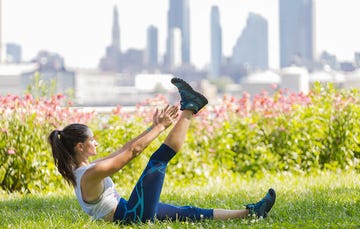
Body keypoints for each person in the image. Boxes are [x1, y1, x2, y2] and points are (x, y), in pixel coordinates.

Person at [48, 77, 276, 224]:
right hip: (133, 217)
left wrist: (153, 126)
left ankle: (251, 213)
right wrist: (159, 127)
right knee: (158, 159)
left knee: (187, 212)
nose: (96, 143)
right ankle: (190, 108)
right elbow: (132, 153)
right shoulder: (89, 175)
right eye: (92, 140)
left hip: (131, 209)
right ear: (80, 147)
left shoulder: (86, 170)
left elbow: (125, 148)